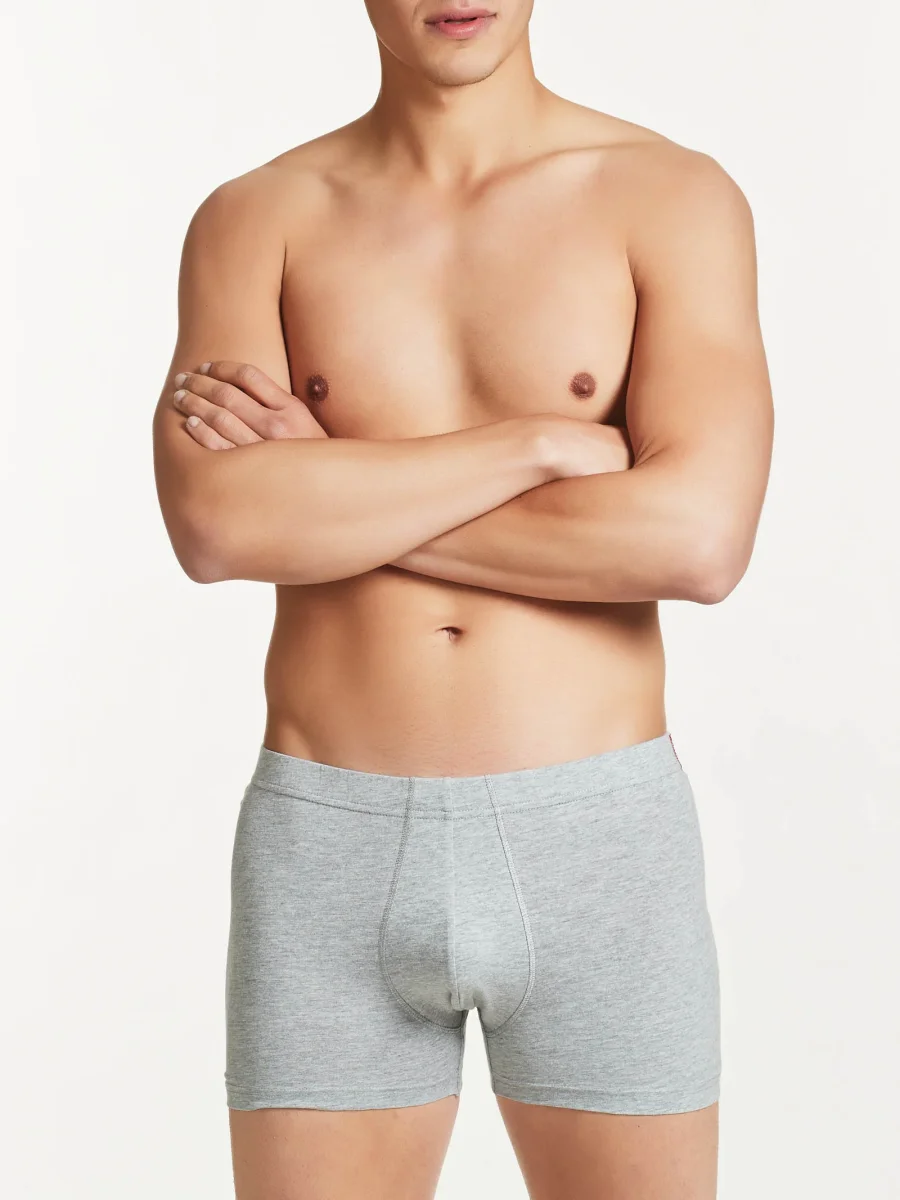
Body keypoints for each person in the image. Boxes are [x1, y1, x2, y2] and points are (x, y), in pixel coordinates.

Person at [152, 2, 773, 1196]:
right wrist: (537, 445)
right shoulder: (259, 218)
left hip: (595, 836)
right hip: (327, 841)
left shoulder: (670, 198)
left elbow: (698, 541)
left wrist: (339, 485)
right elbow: (221, 525)